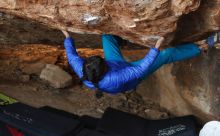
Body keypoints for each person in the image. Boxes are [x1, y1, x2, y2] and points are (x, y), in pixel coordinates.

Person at [61, 30, 213, 98]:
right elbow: (140, 69)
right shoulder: (113, 78)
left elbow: (72, 55)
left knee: (107, 36)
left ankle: (125, 40)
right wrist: (155, 49)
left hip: (115, 63)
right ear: (104, 69)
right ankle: (201, 47)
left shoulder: (83, 69)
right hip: (133, 75)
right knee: (166, 54)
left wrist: (67, 36)